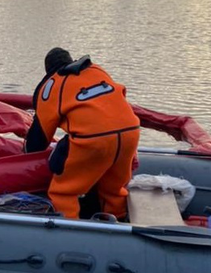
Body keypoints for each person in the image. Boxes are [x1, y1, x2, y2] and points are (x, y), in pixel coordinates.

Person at [24, 47, 140, 219]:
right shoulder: (95, 69)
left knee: (64, 191)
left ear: (48, 70)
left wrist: (28, 152)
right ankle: (118, 221)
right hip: (130, 132)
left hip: (93, 139)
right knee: (114, 188)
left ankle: (70, 227)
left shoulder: (53, 85)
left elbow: (39, 138)